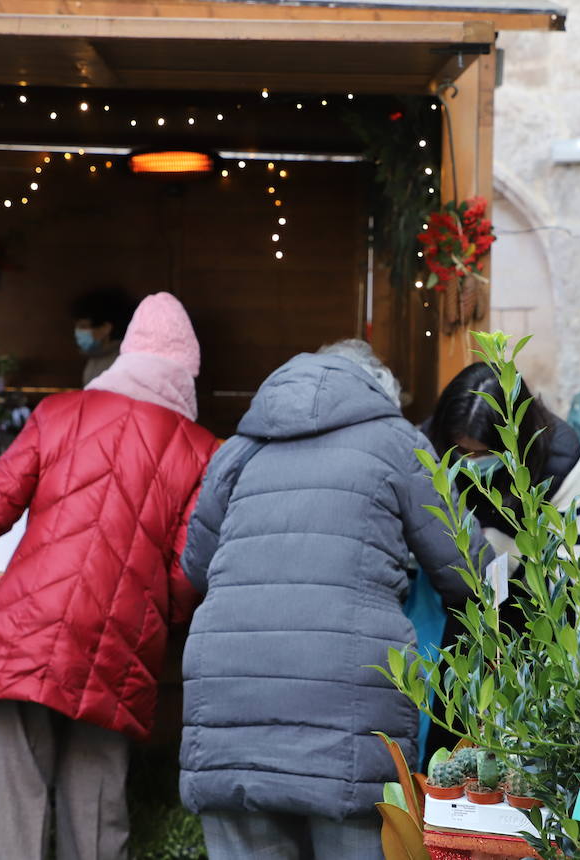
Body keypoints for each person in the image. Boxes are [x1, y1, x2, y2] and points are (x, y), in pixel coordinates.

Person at [0, 292, 218, 860]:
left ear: (127, 354)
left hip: (33, 621)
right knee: (97, 798)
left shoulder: (59, 413)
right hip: (121, 633)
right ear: (187, 371)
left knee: (17, 790)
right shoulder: (201, 451)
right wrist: (157, 613)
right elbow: (190, 565)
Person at [179, 339, 473, 860]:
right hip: (349, 709)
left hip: (230, 700)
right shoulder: (397, 441)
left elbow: (195, 567)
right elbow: (466, 570)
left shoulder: (239, 450)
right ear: (378, 393)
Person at [419, 362, 580, 756]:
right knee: (451, 727)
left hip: (532, 599)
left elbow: (569, 570)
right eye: (459, 451)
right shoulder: (427, 445)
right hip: (454, 598)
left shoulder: (559, 454)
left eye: (481, 454)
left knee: (528, 741)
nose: (469, 461)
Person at [70, 287, 135, 384]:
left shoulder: (118, 364)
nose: (77, 332)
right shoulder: (95, 358)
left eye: (83, 326)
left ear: (105, 328)